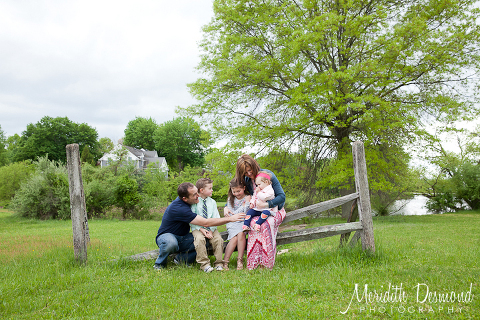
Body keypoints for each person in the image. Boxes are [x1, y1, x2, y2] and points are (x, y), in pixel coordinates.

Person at [154, 182, 245, 270]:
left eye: (197, 192)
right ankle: (159, 264)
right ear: (185, 198)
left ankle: (181, 259)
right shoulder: (179, 208)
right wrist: (230, 219)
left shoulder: (191, 202)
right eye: (194, 194)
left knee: (204, 239)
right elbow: (205, 222)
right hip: (167, 236)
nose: (198, 195)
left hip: (183, 238)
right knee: (171, 243)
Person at [234, 154, 286, 270]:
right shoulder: (247, 180)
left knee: (266, 225)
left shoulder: (267, 175)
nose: (248, 174)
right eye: (245, 172)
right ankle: (254, 261)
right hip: (258, 210)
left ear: (254, 165)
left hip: (274, 209)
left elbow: (282, 197)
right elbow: (244, 193)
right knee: (252, 225)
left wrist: (266, 204)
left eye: (249, 170)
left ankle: (267, 263)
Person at [189, 178, 225, 272]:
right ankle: (204, 265)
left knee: (218, 239)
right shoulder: (195, 202)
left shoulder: (212, 202)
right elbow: (191, 218)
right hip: (198, 228)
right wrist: (201, 229)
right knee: (200, 240)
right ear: (201, 190)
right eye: (210, 188)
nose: (212, 190)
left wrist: (211, 230)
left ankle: (219, 263)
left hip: (211, 227)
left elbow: (216, 217)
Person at [223, 178, 250, 270]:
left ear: (244, 188)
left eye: (239, 191)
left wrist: (246, 204)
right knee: (234, 239)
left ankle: (240, 260)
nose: (237, 193)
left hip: (243, 222)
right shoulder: (231, 199)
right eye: (234, 191)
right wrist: (242, 207)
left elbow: (247, 212)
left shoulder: (248, 197)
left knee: (241, 233)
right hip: (233, 222)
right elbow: (232, 215)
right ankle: (225, 262)